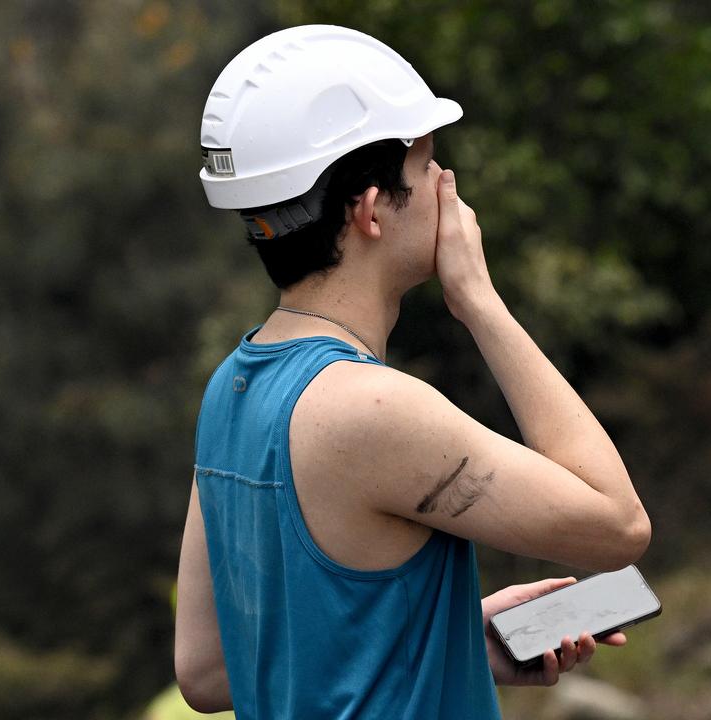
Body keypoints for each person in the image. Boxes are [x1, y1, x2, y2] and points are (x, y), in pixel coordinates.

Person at [174, 25, 651, 719]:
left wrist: (451, 640)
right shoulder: (369, 408)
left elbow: (209, 673)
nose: (445, 187)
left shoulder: (230, 394)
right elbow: (618, 526)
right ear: (370, 211)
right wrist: (481, 302)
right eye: (427, 165)